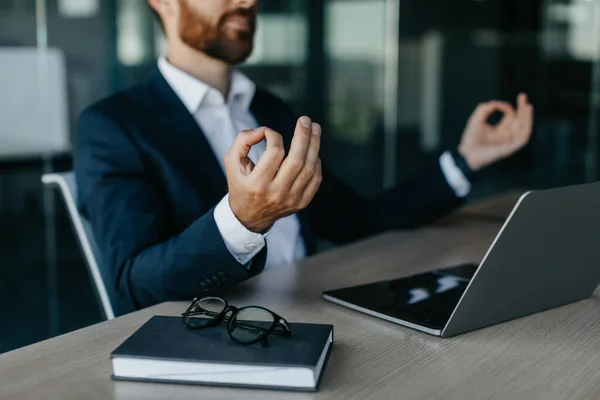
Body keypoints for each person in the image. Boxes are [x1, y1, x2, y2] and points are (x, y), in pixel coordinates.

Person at [75, 0, 534, 316]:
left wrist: (466, 159)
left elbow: (359, 219)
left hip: (319, 310)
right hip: (225, 335)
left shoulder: (270, 109)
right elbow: (133, 287)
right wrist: (242, 220)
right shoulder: (114, 126)